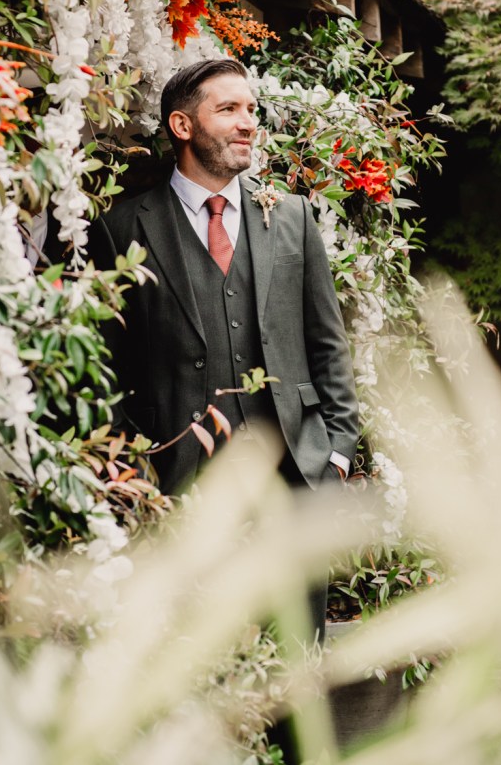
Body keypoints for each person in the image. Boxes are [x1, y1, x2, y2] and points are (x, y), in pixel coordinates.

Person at [88, 59, 360, 629]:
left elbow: (327, 340)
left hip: (294, 471)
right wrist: (128, 466)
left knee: (296, 658)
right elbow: (105, 359)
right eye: (229, 109)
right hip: (177, 476)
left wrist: (336, 448)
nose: (248, 123)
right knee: (192, 655)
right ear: (183, 126)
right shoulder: (120, 227)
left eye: (252, 110)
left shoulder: (291, 217)